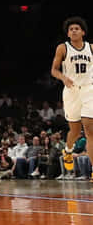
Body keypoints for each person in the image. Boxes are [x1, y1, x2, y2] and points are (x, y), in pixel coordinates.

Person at [50, 16, 93, 175]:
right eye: (71, 29)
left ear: (82, 32)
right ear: (68, 34)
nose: (74, 31)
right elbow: (54, 70)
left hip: (89, 90)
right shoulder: (63, 48)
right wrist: (63, 77)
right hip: (71, 91)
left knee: (90, 129)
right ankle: (68, 151)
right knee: (74, 132)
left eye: (76, 28)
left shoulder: (91, 48)